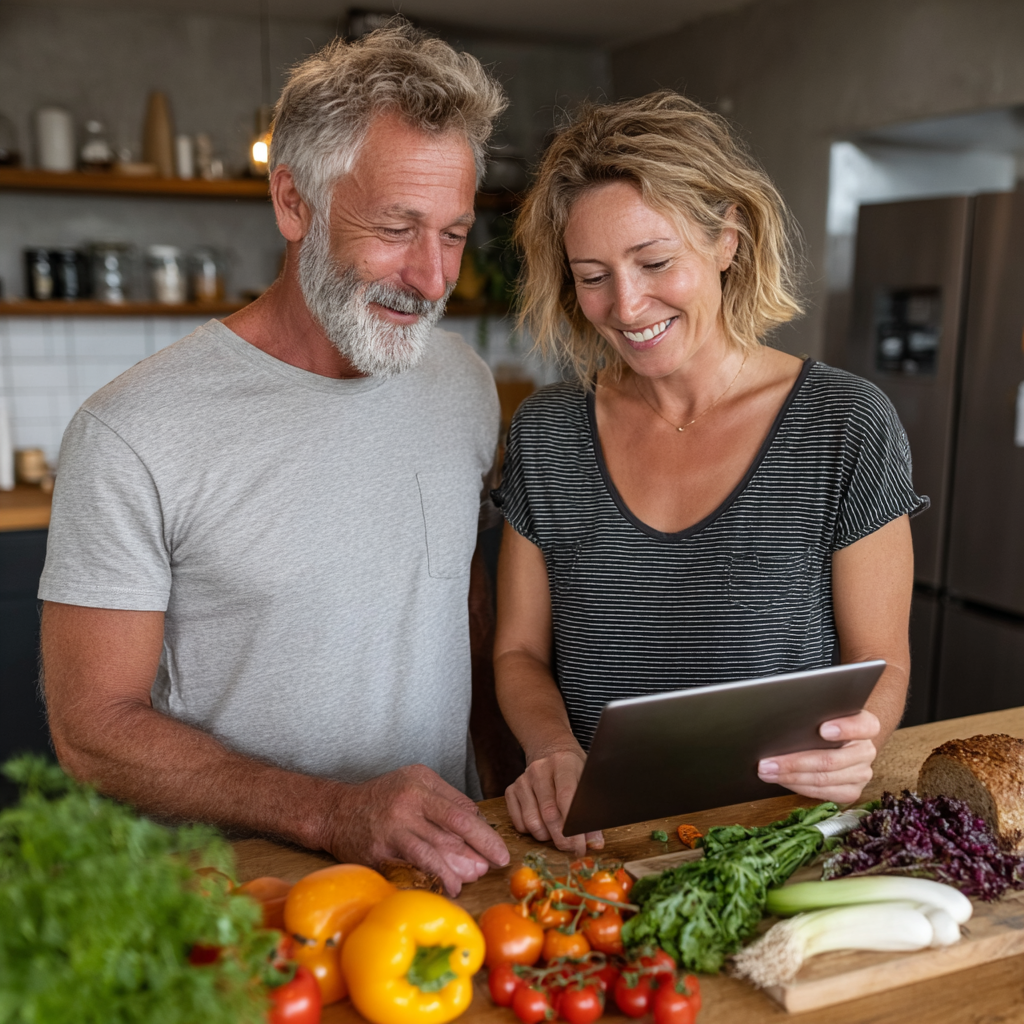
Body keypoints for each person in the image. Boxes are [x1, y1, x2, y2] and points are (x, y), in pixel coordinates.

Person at [38, 23, 513, 896]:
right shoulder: (131, 429)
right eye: (397, 227)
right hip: (238, 897)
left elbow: (460, 594)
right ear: (294, 203)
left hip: (443, 870)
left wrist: (505, 773)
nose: (432, 275)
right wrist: (332, 811)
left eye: (453, 233)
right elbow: (92, 730)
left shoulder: (464, 384)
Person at [492, 92, 925, 856]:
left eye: (655, 262)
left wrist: (864, 735)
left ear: (726, 237)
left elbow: (880, 661)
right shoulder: (547, 433)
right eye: (592, 276)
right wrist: (553, 750)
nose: (626, 306)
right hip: (600, 846)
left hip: (779, 841)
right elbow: (519, 652)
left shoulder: (845, 423)